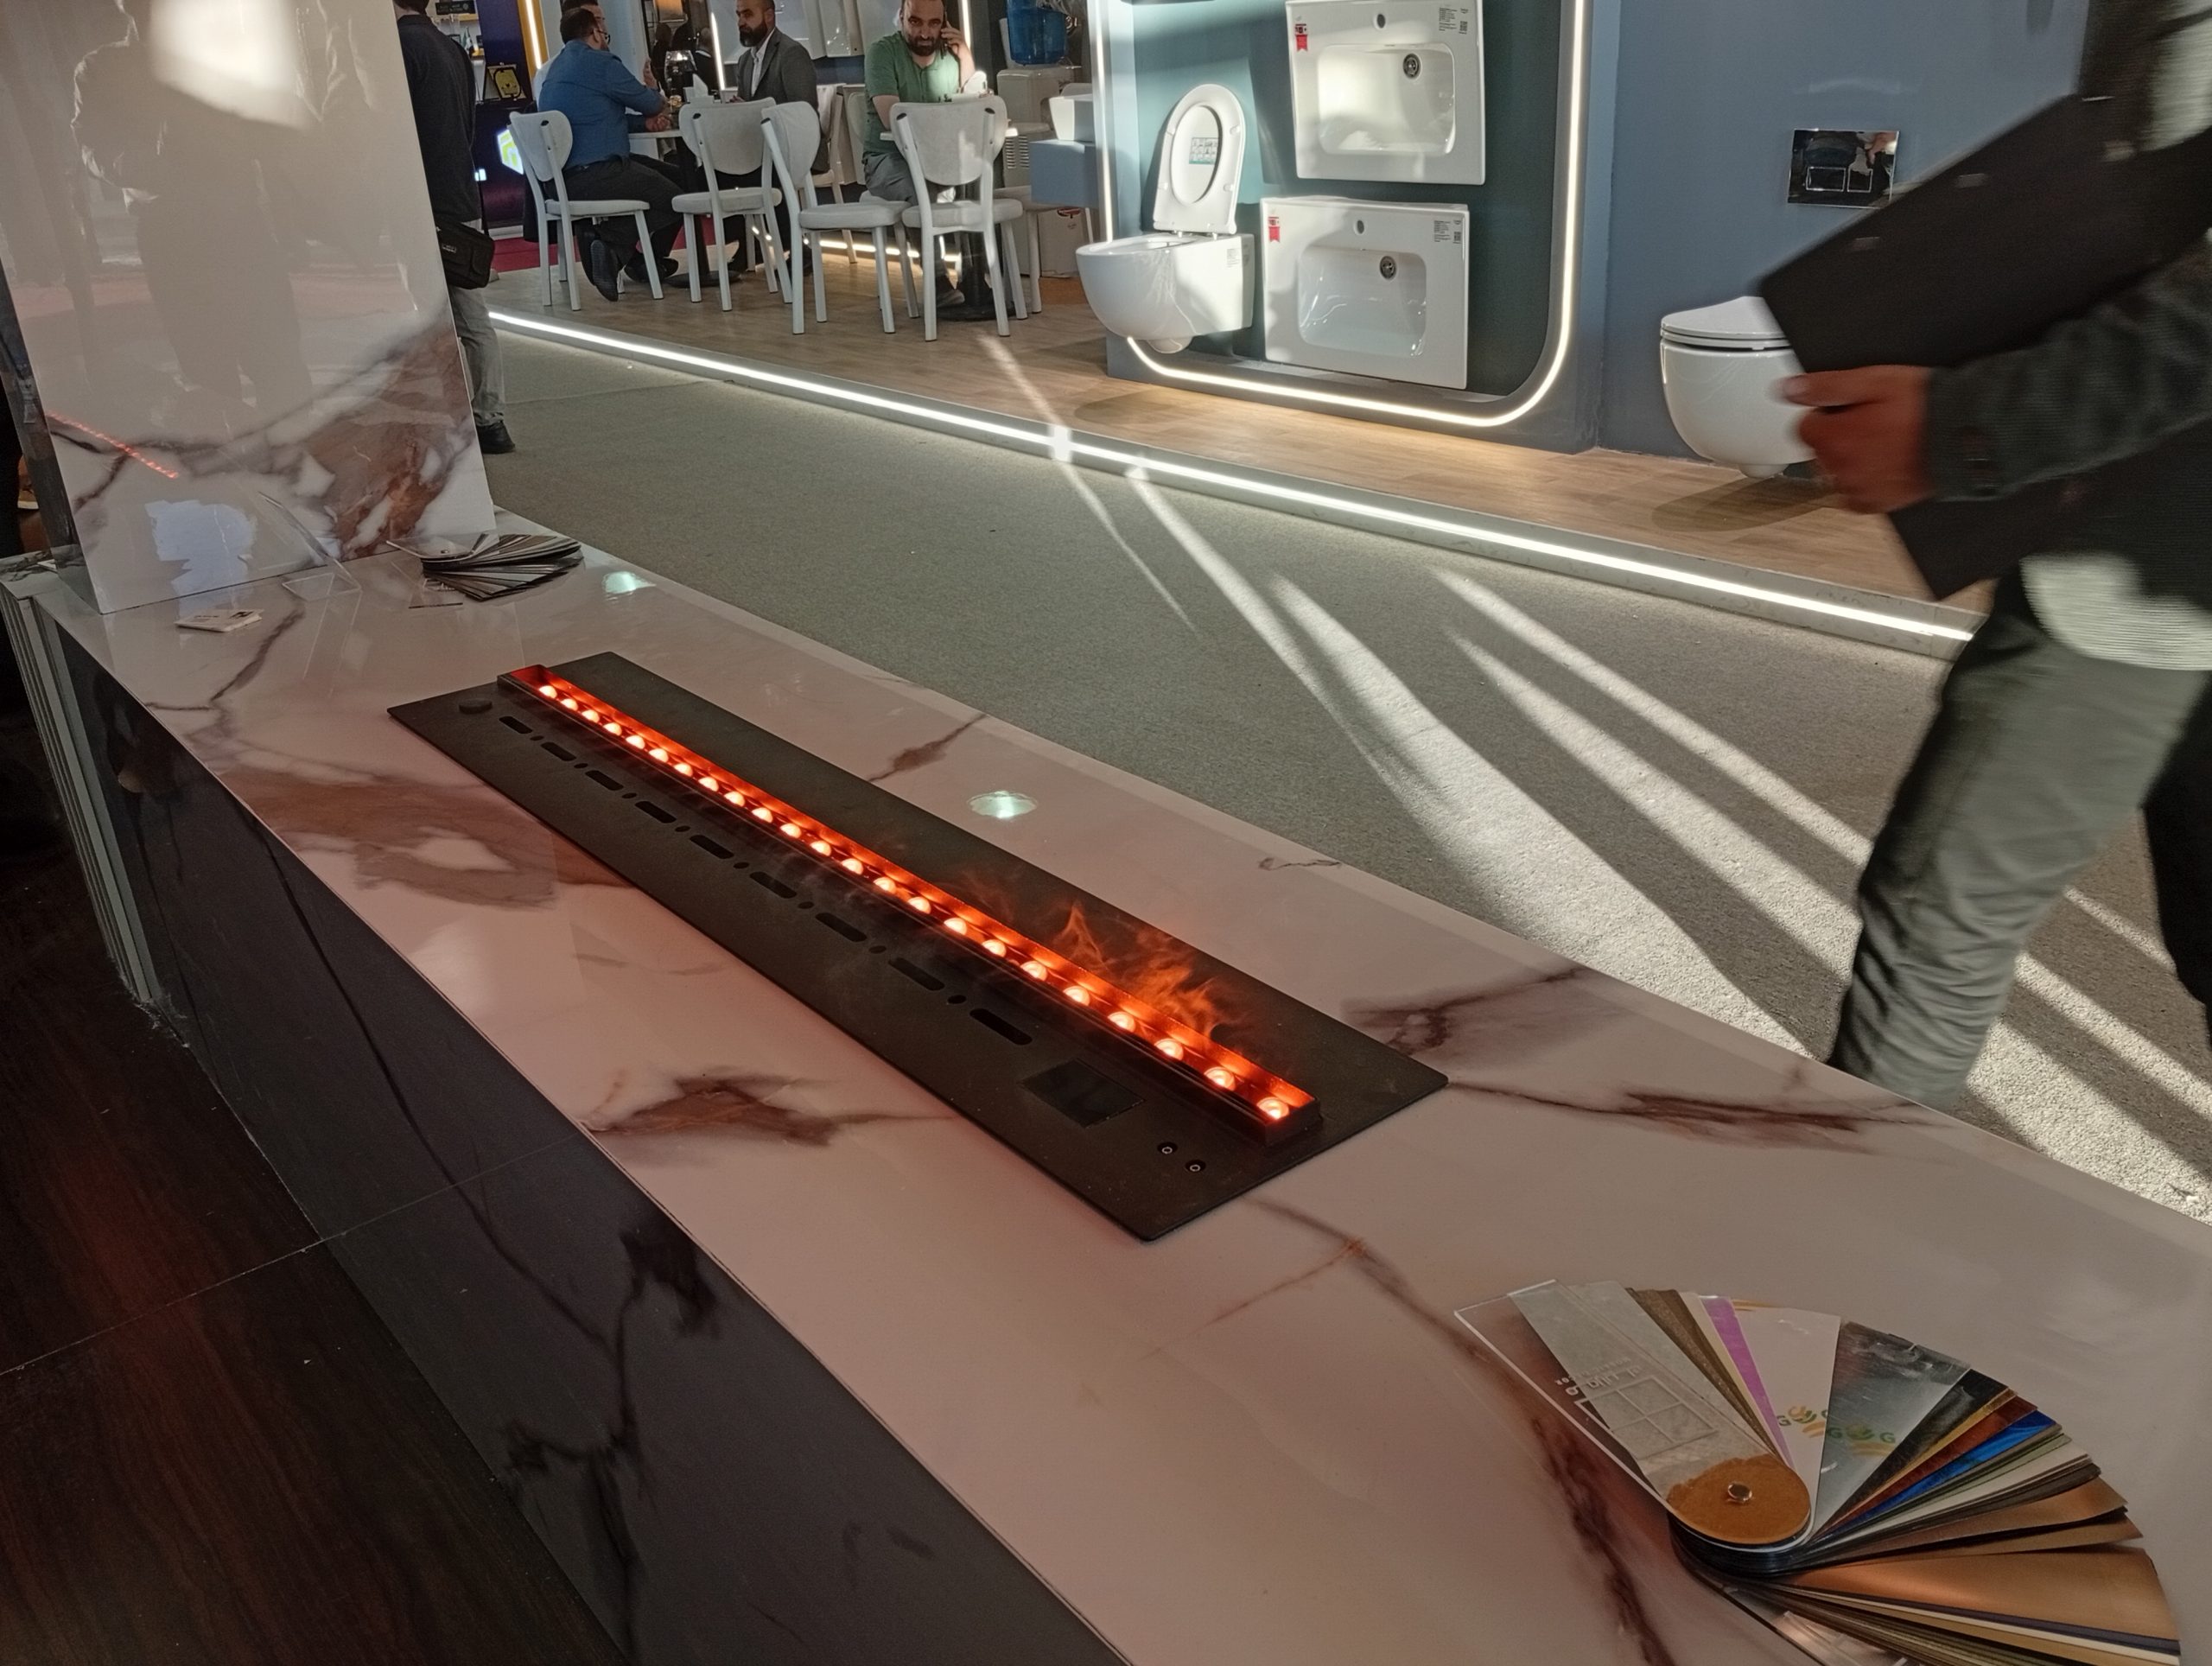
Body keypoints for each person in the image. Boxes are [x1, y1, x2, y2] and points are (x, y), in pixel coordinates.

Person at [1786, 0, 2212, 1112]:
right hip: (2135, 511)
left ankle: (1846, 1221)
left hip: (2152, 552)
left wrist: (1960, 431)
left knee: (1939, 920)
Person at [394, 0, 512, 454]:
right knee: (470, 314)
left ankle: (460, 416)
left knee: (431, 315)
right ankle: (488, 416)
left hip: (421, 199)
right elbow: (467, 123)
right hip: (459, 194)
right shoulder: (451, 49)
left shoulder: (400, 49)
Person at [537, 5, 682, 302]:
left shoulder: (556, 70)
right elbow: (650, 103)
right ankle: (610, 244)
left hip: (562, 179)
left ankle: (641, 261)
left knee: (676, 178)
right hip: (596, 172)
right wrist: (655, 93)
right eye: (604, 32)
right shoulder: (600, 63)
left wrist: (643, 124)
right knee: (676, 197)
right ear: (594, 34)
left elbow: (597, 119)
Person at [861, 0, 989, 315]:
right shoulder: (882, 53)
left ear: (944, 23)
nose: (924, 33)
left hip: (942, 158)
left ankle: (975, 276)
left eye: (934, 24)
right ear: (901, 17)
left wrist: (966, 58)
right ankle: (937, 281)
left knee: (977, 178)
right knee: (919, 189)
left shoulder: (951, 55)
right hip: (888, 159)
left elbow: (970, 113)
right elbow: (894, 120)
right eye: (916, 22)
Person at [723, 0, 822, 277]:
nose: (741, 22)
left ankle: (798, 249)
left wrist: (756, 110)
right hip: (761, 150)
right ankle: (749, 243)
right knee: (712, 175)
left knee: (758, 175)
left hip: (795, 148)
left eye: (748, 14)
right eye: (739, 15)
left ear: (768, 16)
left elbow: (803, 112)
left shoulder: (791, 54)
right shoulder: (744, 61)